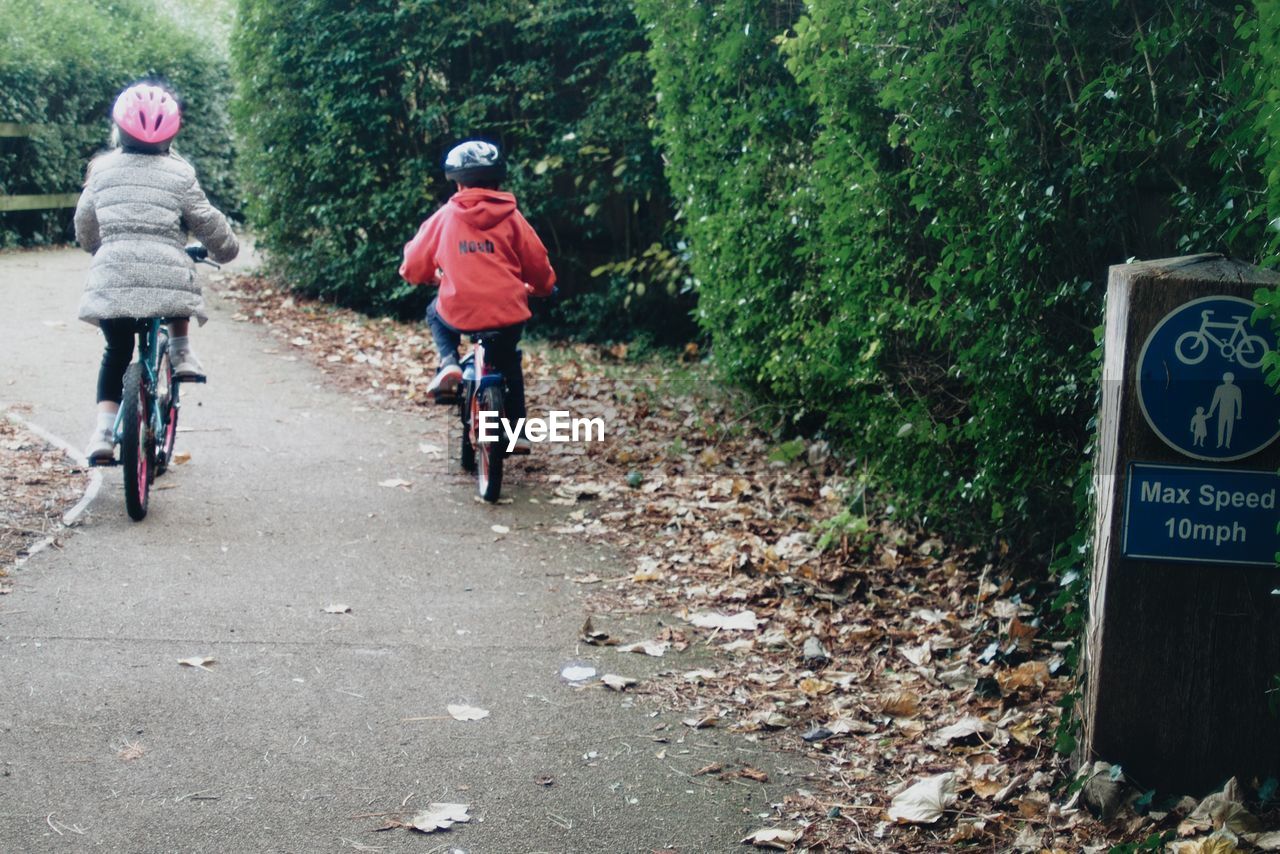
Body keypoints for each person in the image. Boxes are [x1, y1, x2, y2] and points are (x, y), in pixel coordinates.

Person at [75, 81, 239, 463]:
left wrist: (102, 246)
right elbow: (207, 221)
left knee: (116, 350)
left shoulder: (99, 171)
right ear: (172, 135)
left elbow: (86, 230)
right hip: (168, 280)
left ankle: (102, 432)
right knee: (175, 271)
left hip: (112, 279)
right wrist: (227, 249)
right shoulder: (180, 174)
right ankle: (181, 352)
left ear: (118, 130)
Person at [399, 139, 556, 453]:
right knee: (508, 360)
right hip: (507, 311)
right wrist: (542, 288)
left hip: (458, 308)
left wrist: (425, 276)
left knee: (434, 312)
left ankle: (448, 363)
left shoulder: (445, 217)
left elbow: (414, 264)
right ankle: (519, 431)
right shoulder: (513, 219)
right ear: (498, 181)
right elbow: (538, 264)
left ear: (457, 183)